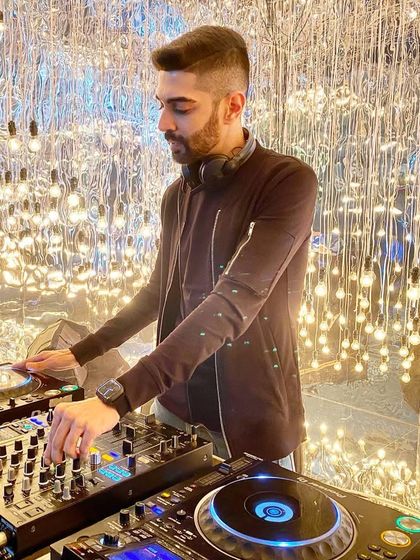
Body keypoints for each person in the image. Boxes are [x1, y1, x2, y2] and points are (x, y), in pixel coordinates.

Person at [13, 25, 317, 469]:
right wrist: (83, 351)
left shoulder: (286, 183)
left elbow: (234, 302)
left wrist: (117, 398)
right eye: (161, 104)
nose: (163, 123)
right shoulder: (178, 194)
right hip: (171, 412)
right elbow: (159, 292)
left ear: (233, 106)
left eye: (181, 107)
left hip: (253, 430)